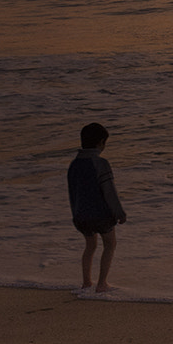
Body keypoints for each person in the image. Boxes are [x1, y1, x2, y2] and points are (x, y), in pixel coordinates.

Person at [66, 122, 127, 292]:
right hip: (101, 215)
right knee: (110, 244)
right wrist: (119, 213)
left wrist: (76, 216)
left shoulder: (73, 165)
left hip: (81, 216)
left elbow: (73, 193)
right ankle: (102, 283)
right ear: (101, 142)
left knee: (90, 246)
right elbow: (109, 192)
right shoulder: (101, 163)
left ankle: (86, 282)